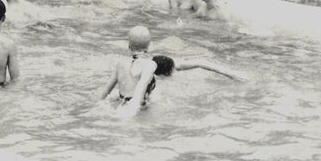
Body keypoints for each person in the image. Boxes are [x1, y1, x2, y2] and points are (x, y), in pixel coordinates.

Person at [97, 25, 246, 115]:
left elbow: (103, 94)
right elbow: (200, 62)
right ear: (149, 46)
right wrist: (231, 73)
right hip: (136, 109)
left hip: (118, 103)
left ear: (128, 45)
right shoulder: (152, 65)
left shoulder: (119, 64)